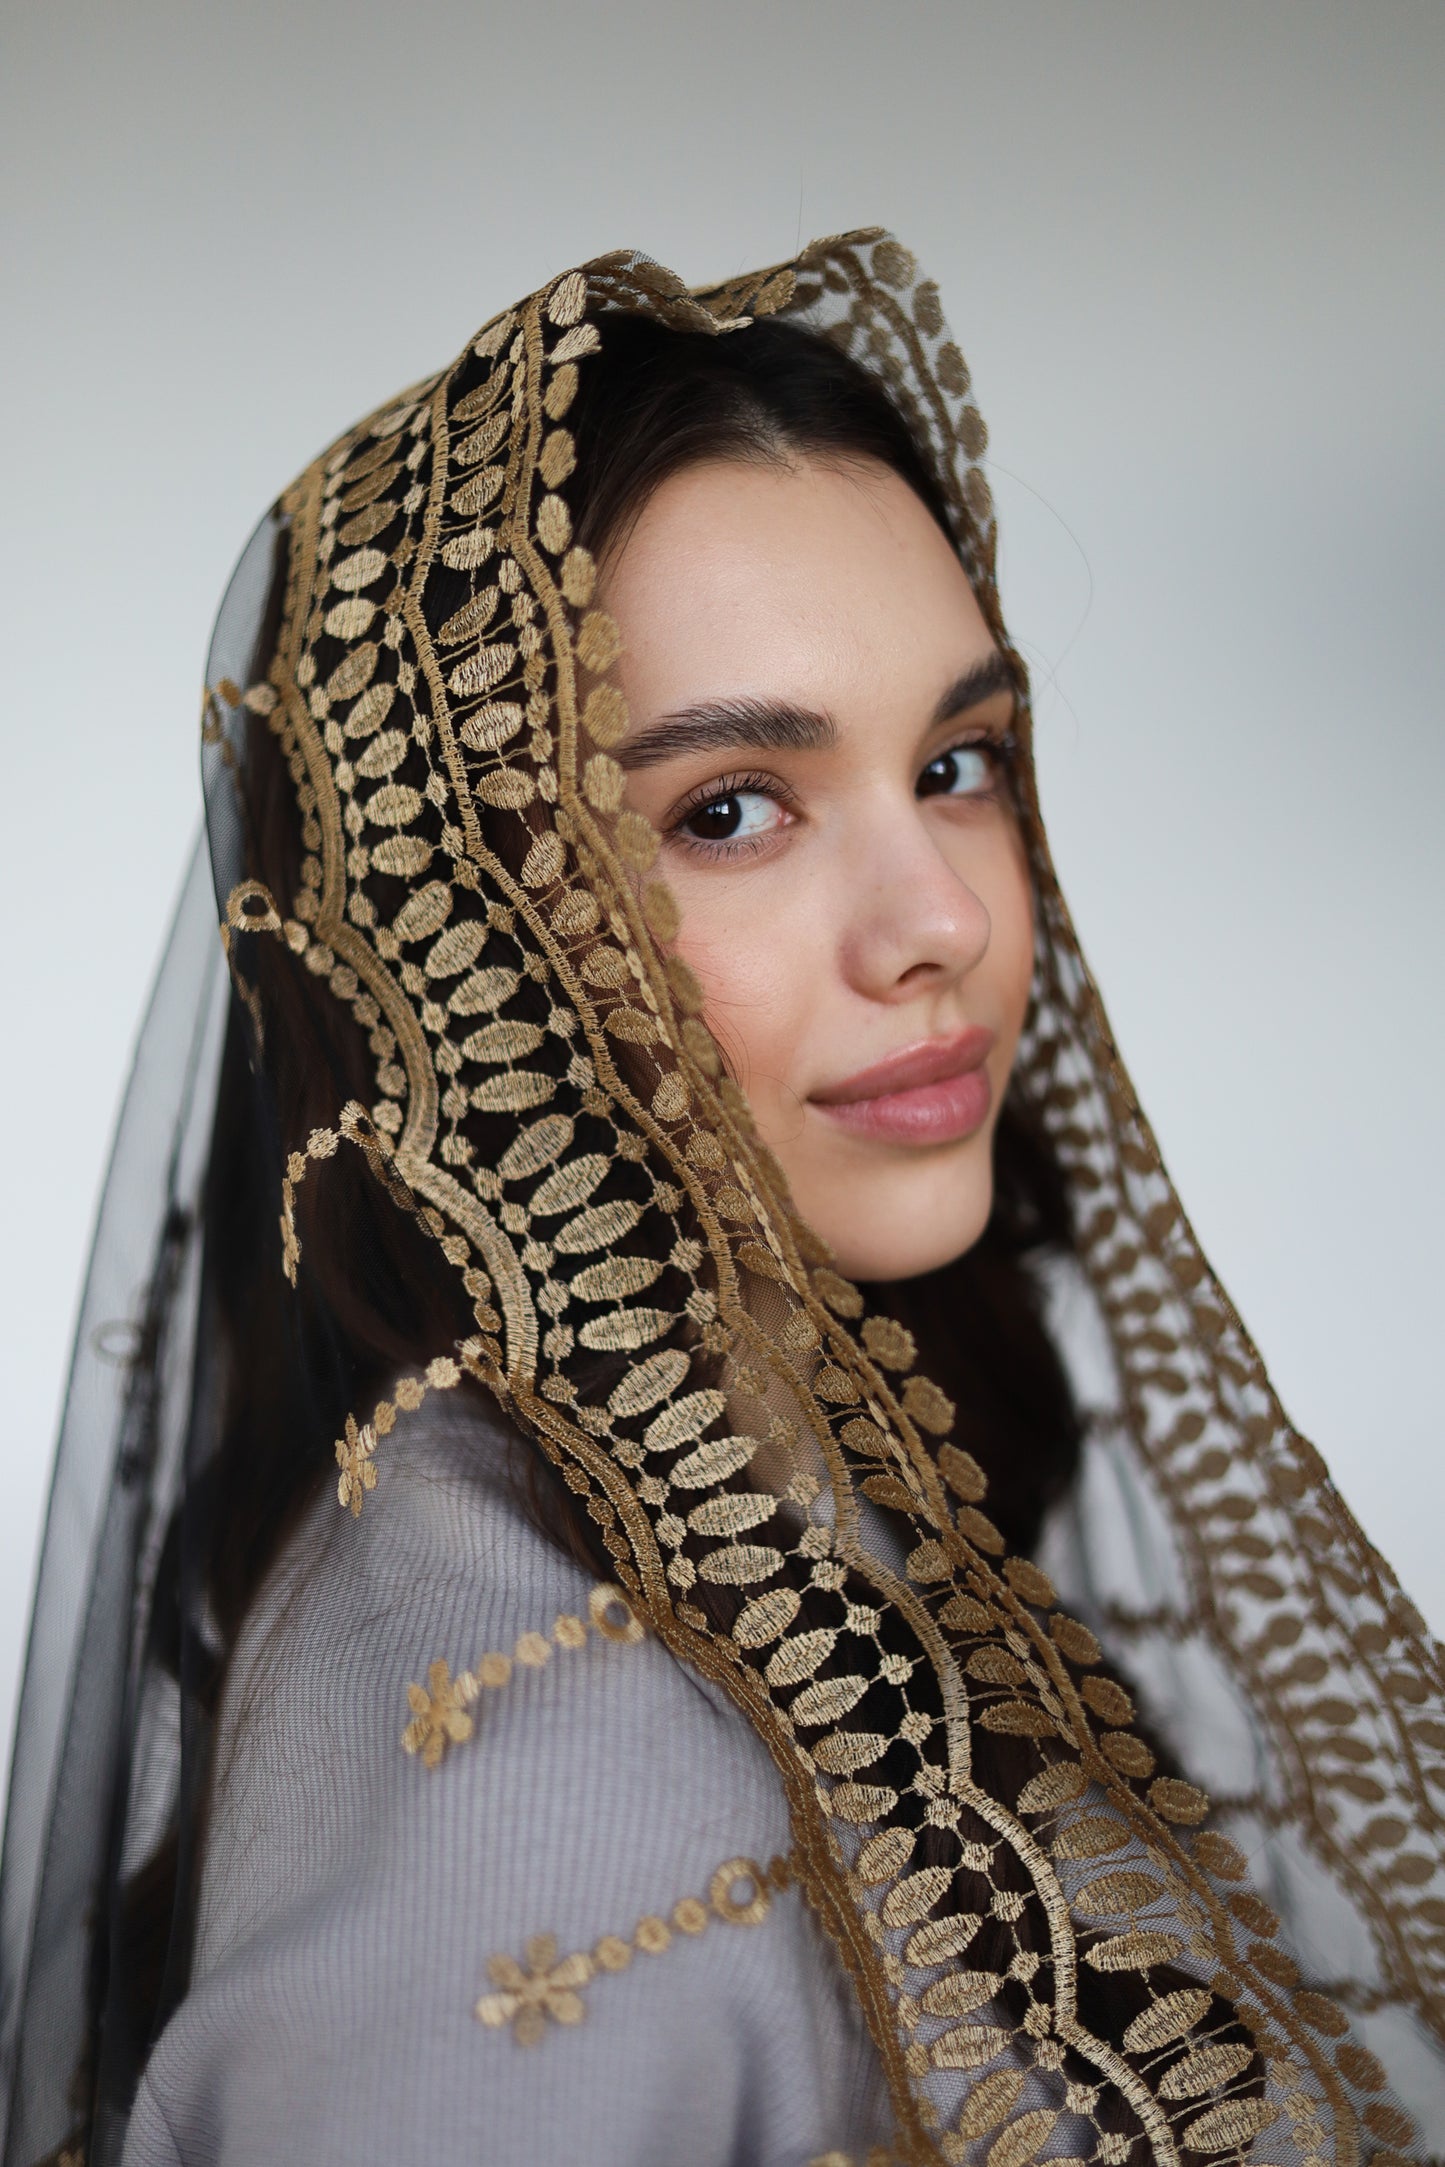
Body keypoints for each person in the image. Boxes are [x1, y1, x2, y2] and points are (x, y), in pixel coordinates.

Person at [1, 231, 1441, 2167]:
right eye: (731, 807)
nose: (945, 919)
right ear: (460, 938)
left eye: (959, 760)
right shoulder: (549, 1769)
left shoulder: (764, 1508)